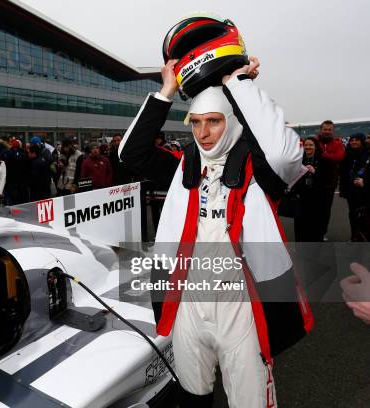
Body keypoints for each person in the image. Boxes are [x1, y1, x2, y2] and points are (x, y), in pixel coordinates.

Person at [119, 54, 313, 407]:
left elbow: (286, 157)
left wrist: (238, 84)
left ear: (233, 122)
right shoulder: (183, 166)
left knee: (249, 401)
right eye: (195, 123)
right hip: (189, 301)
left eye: (213, 121)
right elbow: (131, 154)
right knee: (192, 396)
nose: (203, 133)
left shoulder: (261, 171)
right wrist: (167, 90)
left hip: (241, 305)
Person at [291, 137, 328, 242]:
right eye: (306, 145)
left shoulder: (323, 160)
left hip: (316, 199)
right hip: (301, 198)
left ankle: (315, 248)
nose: (308, 147)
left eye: (311, 145)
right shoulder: (299, 160)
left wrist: (315, 172)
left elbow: (327, 180)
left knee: (315, 226)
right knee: (300, 225)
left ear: (316, 147)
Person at [315, 120, 345, 240]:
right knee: (312, 208)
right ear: (320, 129)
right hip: (314, 182)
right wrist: (329, 156)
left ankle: (322, 233)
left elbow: (340, 157)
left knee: (325, 210)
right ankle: (312, 231)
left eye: (329, 130)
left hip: (329, 183)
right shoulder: (314, 141)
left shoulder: (337, 143)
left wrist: (323, 155)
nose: (327, 132)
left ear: (333, 131)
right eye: (325, 129)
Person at [339, 133, 369, 241]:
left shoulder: (367, 154)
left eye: (357, 140)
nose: (354, 142)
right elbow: (343, 173)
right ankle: (354, 235)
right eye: (352, 140)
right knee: (353, 214)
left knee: (365, 215)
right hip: (351, 190)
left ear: (362, 141)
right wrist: (343, 189)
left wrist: (365, 181)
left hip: (364, 189)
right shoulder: (347, 153)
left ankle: (364, 236)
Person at [3, 139, 29, 204]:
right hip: (22, 182)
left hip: (11, 182)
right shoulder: (24, 154)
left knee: (14, 202)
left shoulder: (8, 154)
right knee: (23, 202)